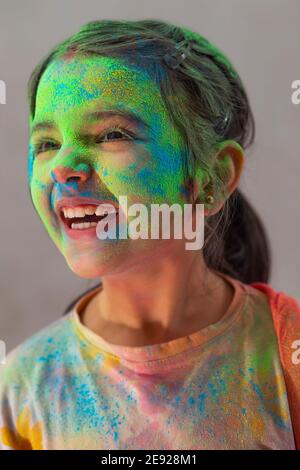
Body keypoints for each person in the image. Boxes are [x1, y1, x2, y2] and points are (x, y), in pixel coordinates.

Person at [0, 19, 299, 450]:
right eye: (46, 143)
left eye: (111, 135)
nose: (63, 167)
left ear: (211, 178)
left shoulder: (286, 353)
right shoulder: (23, 390)